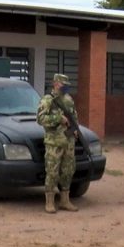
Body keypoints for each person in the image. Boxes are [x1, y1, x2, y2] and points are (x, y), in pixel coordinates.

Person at [36, 73, 80, 213]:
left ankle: (64, 200)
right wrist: (58, 118)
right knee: (52, 172)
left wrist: (75, 129)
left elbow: (74, 117)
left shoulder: (69, 100)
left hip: (68, 141)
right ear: (55, 84)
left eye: (67, 86)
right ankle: (49, 202)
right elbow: (40, 119)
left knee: (68, 170)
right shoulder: (47, 100)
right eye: (63, 85)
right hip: (54, 142)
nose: (66, 88)